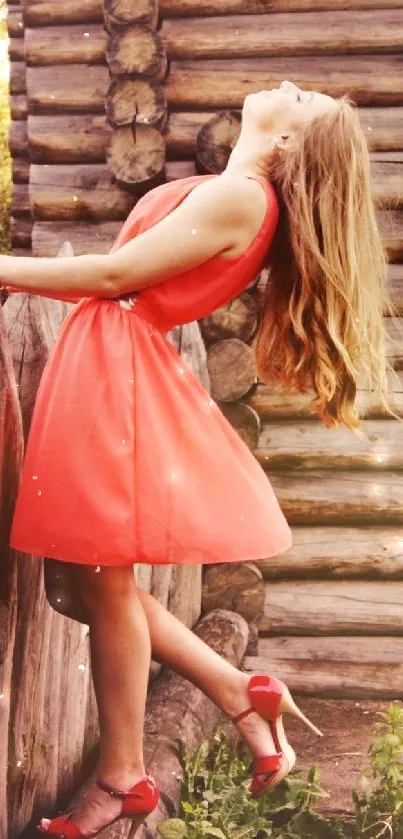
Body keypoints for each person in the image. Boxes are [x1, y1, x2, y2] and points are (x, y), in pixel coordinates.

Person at [1, 80, 398, 838]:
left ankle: (122, 776)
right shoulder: (233, 190)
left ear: (287, 142)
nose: (289, 84)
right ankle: (235, 688)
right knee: (81, 586)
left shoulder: (244, 199)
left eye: (303, 97)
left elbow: (116, 277)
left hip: (115, 369)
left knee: (102, 582)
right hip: (110, 359)